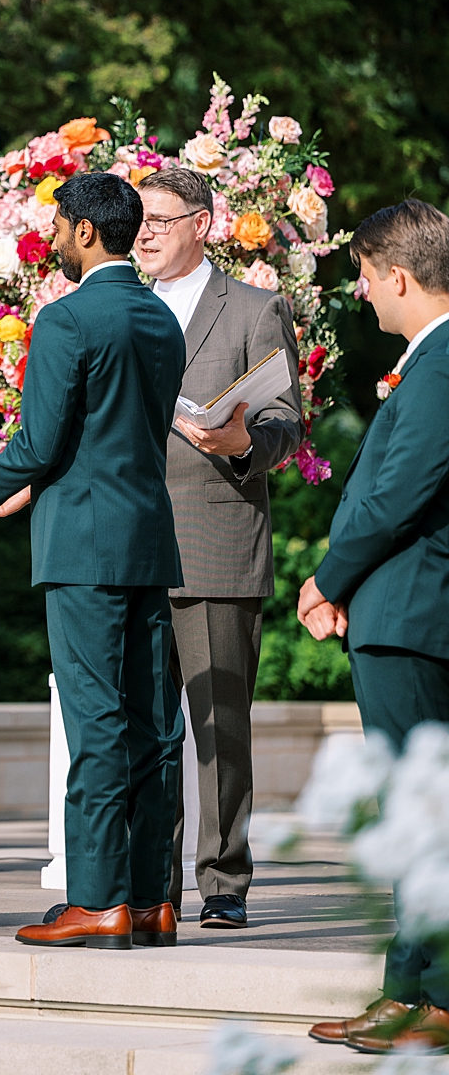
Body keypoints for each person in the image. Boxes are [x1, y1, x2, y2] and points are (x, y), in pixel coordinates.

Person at [0, 171, 186, 950]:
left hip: (83, 545)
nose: (53, 241)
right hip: (151, 540)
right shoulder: (162, 319)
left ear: (84, 230)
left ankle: (99, 901)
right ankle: (151, 899)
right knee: (153, 723)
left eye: (57, 228)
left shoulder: (67, 318)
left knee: (97, 718)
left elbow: (40, 444)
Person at [134, 167, 302, 930]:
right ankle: (151, 884)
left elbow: (286, 421)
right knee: (144, 730)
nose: (143, 233)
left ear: (202, 224)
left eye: (159, 220)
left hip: (216, 539)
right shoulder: (124, 305)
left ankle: (225, 882)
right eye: (139, 219)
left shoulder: (256, 309)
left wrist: (243, 444)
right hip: (131, 545)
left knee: (218, 729)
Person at [302, 200, 449, 1055]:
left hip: (413, 614)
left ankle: (434, 998)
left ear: (398, 276)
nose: (360, 292)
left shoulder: (441, 365)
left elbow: (398, 495)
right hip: (404, 611)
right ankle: (410, 988)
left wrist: (327, 579)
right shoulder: (427, 361)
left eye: (363, 276)